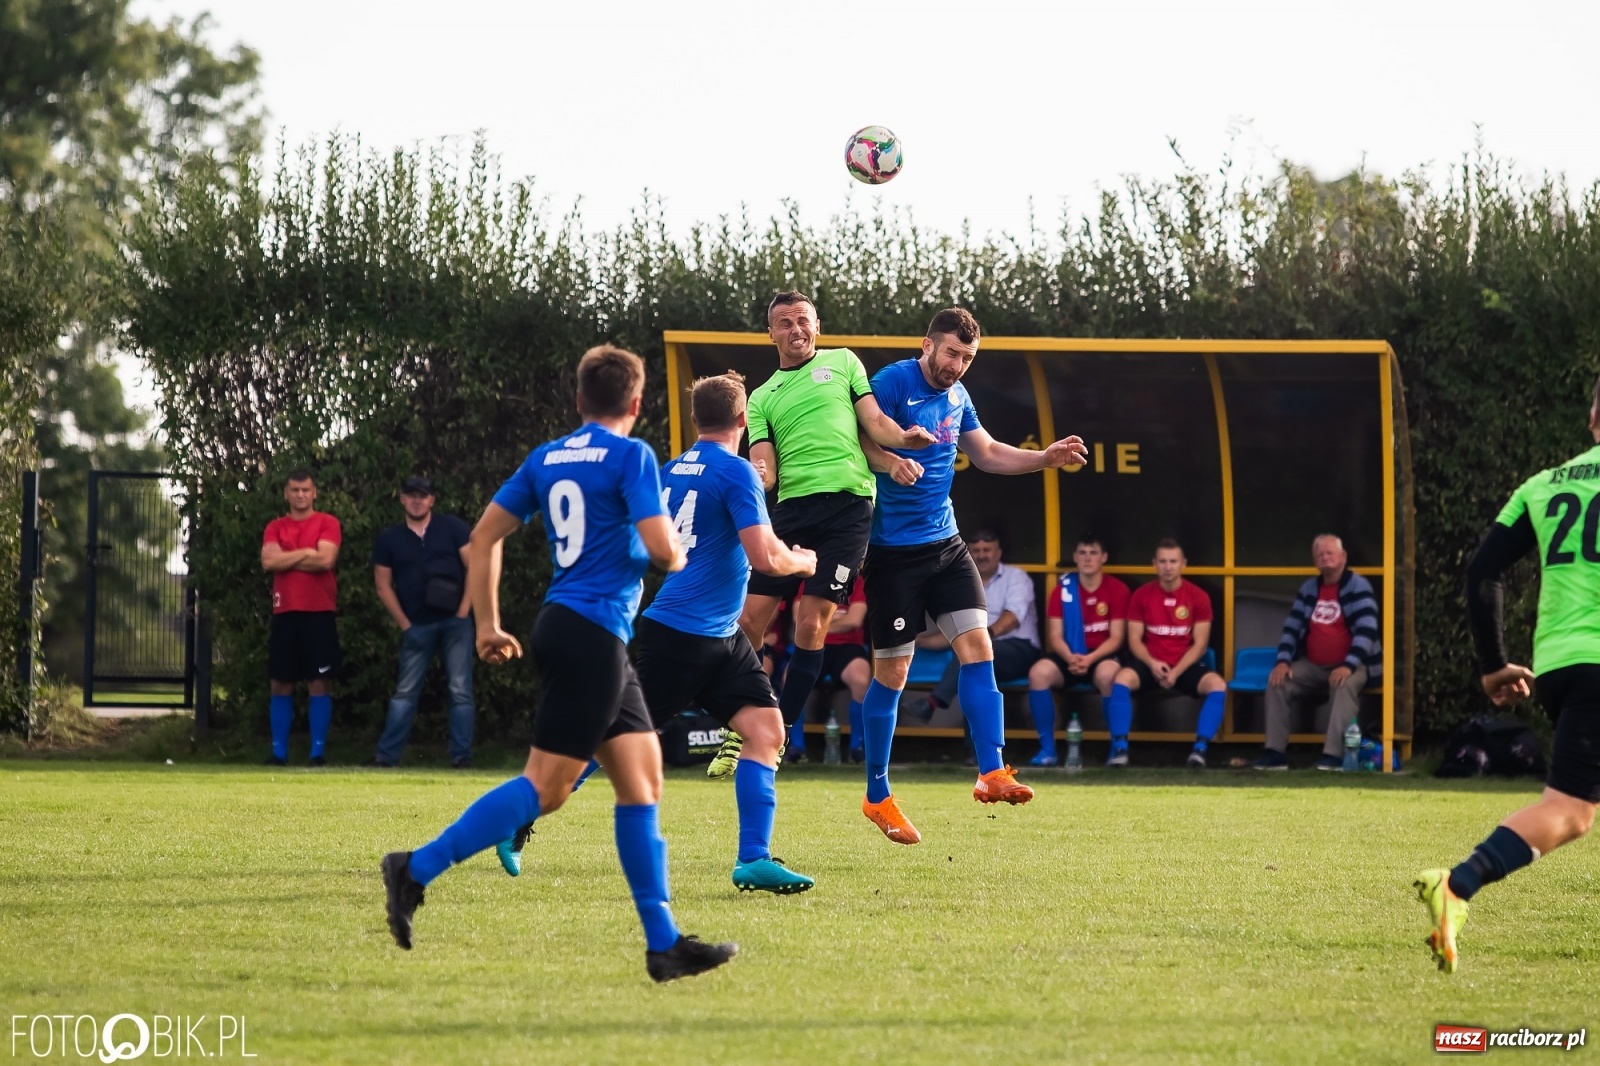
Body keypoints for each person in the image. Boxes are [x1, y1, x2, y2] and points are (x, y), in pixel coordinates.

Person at [379, 345, 737, 984]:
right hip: (592, 635)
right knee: (545, 789)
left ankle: (664, 945)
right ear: (635, 404)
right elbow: (662, 550)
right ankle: (415, 867)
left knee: (642, 779)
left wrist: (487, 624)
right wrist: (677, 555)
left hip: (576, 631)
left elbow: (482, 538)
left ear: (578, 402)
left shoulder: (547, 456)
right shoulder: (632, 456)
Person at [855, 307, 1087, 845]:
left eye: (967, 358)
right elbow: (858, 441)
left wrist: (1044, 459)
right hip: (892, 554)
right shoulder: (889, 383)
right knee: (892, 675)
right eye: (951, 353)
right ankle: (877, 796)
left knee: (978, 648)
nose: (957, 366)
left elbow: (985, 454)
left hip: (946, 546)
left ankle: (991, 771)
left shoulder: (959, 397)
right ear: (927, 345)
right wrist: (890, 461)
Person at [1414, 375, 1600, 975]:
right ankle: (1457, 886)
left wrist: (1494, 665)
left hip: (1561, 665)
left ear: (1594, 416)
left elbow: (1481, 572)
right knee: (1569, 810)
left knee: (1578, 808)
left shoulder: (1544, 486)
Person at [719, 290, 934, 775]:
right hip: (791, 512)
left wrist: (902, 440)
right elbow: (765, 466)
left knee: (810, 624)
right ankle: (741, 720)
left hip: (847, 508)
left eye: (803, 321)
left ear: (817, 326)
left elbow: (873, 422)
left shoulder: (843, 363)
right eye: (785, 323)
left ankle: (777, 735)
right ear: (770, 333)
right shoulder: (762, 397)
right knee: (750, 619)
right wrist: (751, 476)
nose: (795, 329)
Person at [627, 371, 819, 893]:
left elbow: (648, 549)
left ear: (695, 419)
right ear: (742, 420)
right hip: (683, 636)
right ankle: (521, 818)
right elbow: (765, 557)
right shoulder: (736, 472)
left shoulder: (670, 471)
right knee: (616, 735)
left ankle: (753, 859)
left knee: (765, 731)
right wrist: (802, 562)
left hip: (719, 634)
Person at [1251, 534, 1381, 771]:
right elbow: (1292, 628)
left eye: (1330, 553)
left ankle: (1333, 756)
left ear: (1343, 557)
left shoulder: (1358, 585)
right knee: (1277, 683)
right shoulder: (1309, 588)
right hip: (1312, 665)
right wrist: (1282, 662)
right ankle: (1274, 753)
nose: (1325, 557)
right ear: (1314, 561)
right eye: (1320, 554)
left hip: (1354, 663)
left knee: (1343, 684)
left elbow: (1367, 629)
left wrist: (1348, 664)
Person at [370, 476, 476, 768]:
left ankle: (461, 757)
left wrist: (464, 610)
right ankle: (386, 757)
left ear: (432, 499)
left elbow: (475, 567)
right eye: (411, 495)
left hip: (455, 623)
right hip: (417, 624)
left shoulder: (453, 528)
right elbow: (383, 585)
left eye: (423, 495)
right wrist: (404, 624)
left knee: (460, 690)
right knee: (405, 692)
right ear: (402, 498)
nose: (417, 500)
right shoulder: (389, 538)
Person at [1107, 539, 1227, 769]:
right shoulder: (1141, 595)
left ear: (1183, 564)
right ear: (1154, 564)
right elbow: (1134, 640)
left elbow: (1200, 644)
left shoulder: (1198, 596)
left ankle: (1200, 751)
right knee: (1121, 679)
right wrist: (1153, 663)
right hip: (1151, 663)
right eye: (1162, 561)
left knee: (1218, 685)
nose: (1168, 566)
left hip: (1184, 665)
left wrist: (1177, 672)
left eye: (1173, 561)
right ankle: (1120, 749)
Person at [904, 529, 1041, 726]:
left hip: (1019, 649)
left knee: (972, 658)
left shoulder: (1016, 577)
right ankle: (975, 752)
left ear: (999, 553)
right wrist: (919, 640)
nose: (981, 555)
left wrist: (985, 637)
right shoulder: (962, 584)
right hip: (979, 651)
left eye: (987, 550)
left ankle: (932, 702)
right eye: (976, 550)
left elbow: (1012, 618)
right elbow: (956, 632)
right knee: (975, 681)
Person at [260, 469, 341, 766]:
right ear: (286, 493)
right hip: (285, 611)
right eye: (294, 490)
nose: (300, 495)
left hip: (319, 611)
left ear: (314, 492)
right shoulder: (275, 526)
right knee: (280, 683)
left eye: (305, 490)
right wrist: (307, 552)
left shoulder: (327, 522)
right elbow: (269, 561)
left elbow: (325, 560)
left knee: (319, 682)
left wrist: (290, 557)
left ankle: (317, 753)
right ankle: (279, 753)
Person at [1027, 536, 1131, 766]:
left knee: (1108, 675)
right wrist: (1070, 657)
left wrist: (1090, 658)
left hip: (1100, 654)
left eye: (1093, 552)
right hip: (1069, 654)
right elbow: (1054, 636)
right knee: (1038, 674)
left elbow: (1117, 637)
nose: (1087, 558)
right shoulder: (1063, 589)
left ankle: (1117, 749)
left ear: (1103, 558)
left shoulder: (1117, 589)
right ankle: (1047, 750)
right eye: (1082, 552)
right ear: (1075, 557)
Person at [821, 580, 872, 764]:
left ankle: (857, 748)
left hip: (849, 647)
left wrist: (820, 624)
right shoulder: (811, 579)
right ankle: (795, 748)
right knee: (790, 679)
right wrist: (838, 620)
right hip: (813, 645)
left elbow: (854, 621)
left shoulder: (857, 583)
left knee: (860, 680)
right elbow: (799, 618)